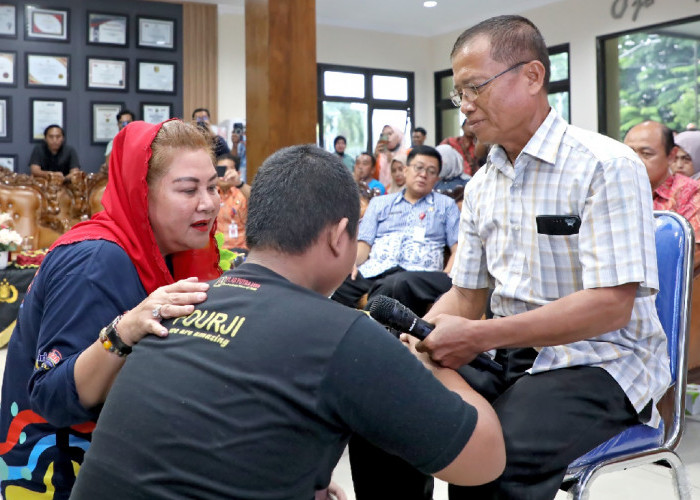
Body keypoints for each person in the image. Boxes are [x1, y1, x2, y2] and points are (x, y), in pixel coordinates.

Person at [69, 144, 505, 500]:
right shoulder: (343, 333)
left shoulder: (179, 302)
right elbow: (485, 459)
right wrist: (433, 366)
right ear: (339, 237)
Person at [363, 15, 669, 500]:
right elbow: (466, 295)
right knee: (381, 407)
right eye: (457, 94)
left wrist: (480, 334)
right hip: (510, 355)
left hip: (600, 362)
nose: (463, 106)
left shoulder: (605, 166)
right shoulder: (484, 184)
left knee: (488, 459)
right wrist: (421, 336)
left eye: (474, 88)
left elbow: (611, 306)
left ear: (531, 76)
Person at [0, 120, 222, 499]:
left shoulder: (168, 254)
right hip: (57, 475)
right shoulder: (97, 259)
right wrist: (122, 332)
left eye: (214, 186)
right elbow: (51, 395)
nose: (209, 202)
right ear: (141, 192)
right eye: (189, 189)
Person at [332, 145, 458, 317]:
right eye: (419, 168)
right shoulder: (380, 204)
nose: (423, 174)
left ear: (436, 178)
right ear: (406, 170)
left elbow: (457, 249)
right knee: (336, 282)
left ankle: (369, 336)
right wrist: (350, 263)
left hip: (417, 274)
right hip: (376, 269)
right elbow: (364, 245)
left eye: (431, 171)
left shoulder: (446, 205)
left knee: (395, 284)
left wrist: (445, 279)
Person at [624, 121, 700, 262]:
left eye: (646, 154)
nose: (634, 160)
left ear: (671, 155)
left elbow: (690, 255)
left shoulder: (691, 193)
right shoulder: (616, 190)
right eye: (629, 153)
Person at [215, 153, 250, 251]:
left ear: (238, 173)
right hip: (216, 252)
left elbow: (259, 200)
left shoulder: (243, 193)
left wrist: (239, 183)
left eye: (228, 170)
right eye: (221, 170)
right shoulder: (211, 195)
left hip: (240, 250)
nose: (224, 174)